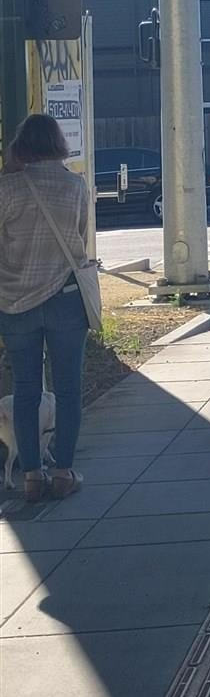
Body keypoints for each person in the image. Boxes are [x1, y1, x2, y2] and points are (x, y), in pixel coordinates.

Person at [0, 113, 91, 501]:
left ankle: (32, 475)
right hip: (66, 299)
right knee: (68, 390)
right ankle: (64, 471)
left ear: (22, 145)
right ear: (58, 143)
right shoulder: (76, 186)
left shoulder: (6, 188)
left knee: (25, 390)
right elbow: (81, 239)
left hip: (15, 301)